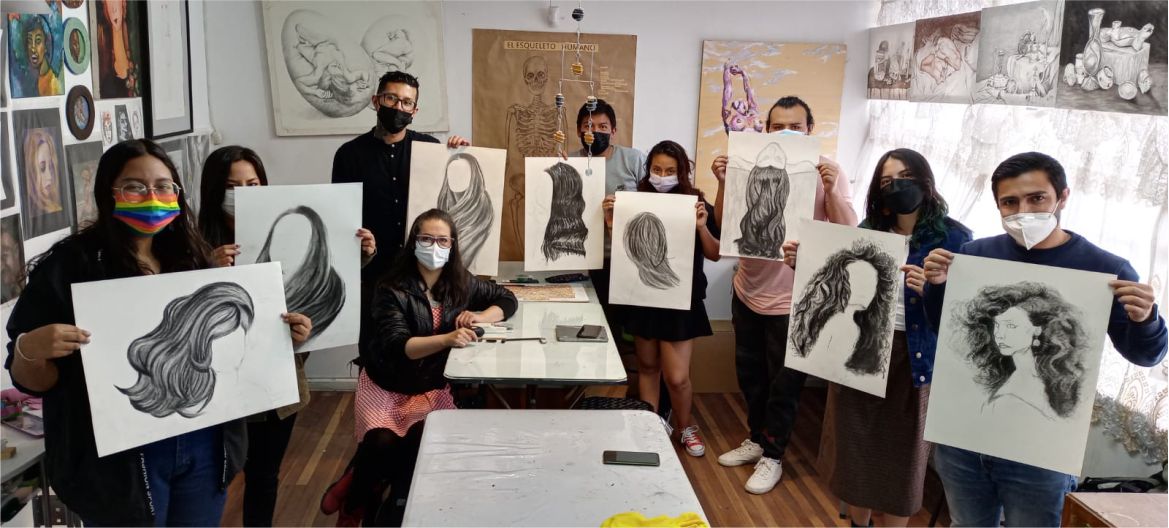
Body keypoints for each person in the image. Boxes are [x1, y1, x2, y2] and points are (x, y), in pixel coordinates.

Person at [4, 139, 313, 526]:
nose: (152, 197)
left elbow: (227, 345)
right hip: (119, 459)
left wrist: (281, 337)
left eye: (164, 186)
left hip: (205, 441)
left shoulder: (193, 256)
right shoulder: (71, 266)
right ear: (108, 192)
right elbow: (33, 380)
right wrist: (30, 349)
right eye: (134, 186)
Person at [912, 151, 1167, 527]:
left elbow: (1146, 356)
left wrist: (1146, 319)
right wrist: (936, 287)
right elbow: (948, 331)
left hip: (1039, 453)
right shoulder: (975, 254)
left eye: (1037, 198)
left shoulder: (1105, 269)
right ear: (998, 205)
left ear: (1062, 197)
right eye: (1010, 202)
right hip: (965, 439)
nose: (1023, 211)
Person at [784, 149, 971, 526]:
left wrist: (933, 289)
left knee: (903, 459)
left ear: (925, 181)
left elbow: (967, 311)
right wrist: (803, 263)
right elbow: (836, 287)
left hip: (914, 359)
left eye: (905, 178)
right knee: (855, 451)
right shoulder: (867, 231)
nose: (897, 187)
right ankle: (859, 522)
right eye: (887, 181)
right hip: (860, 351)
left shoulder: (954, 237)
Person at [196, 145, 375, 527]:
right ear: (213, 190)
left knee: (264, 475)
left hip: (277, 380)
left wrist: (355, 253)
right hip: (215, 383)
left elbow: (314, 280)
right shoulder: (191, 244)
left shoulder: (284, 228)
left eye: (252, 183)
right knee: (211, 476)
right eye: (231, 186)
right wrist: (205, 270)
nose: (243, 193)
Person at [326, 209, 517, 526]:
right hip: (387, 384)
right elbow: (399, 346)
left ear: (452, 245)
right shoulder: (391, 288)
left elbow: (506, 298)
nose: (435, 246)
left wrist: (480, 316)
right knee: (382, 441)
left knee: (421, 440)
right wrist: (447, 339)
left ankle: (379, 493)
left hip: (430, 386)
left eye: (443, 240)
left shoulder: (459, 283)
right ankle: (359, 499)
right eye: (426, 239)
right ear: (413, 242)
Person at [711, 95, 857, 494]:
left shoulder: (829, 171)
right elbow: (725, 224)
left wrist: (833, 191)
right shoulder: (748, 163)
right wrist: (724, 182)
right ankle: (757, 439)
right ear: (765, 128)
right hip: (747, 291)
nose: (786, 132)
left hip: (795, 300)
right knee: (751, 376)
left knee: (784, 384)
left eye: (795, 126)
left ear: (810, 129)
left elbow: (848, 235)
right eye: (777, 126)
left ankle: (773, 456)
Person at [601, 141, 720, 456]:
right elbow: (629, 253)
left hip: (680, 304)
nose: (662, 176)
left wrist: (701, 227)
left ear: (681, 172)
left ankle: (685, 427)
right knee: (647, 367)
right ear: (648, 169)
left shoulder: (697, 203)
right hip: (643, 298)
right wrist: (612, 224)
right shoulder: (635, 200)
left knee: (677, 378)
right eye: (657, 169)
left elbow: (715, 253)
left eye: (670, 171)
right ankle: (650, 427)